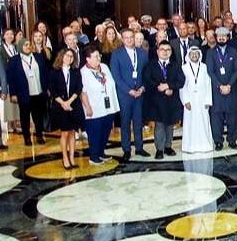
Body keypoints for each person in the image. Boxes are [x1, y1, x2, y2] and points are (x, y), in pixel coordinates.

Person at [143, 42, 185, 159]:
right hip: (157, 100)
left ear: (171, 52)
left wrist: (169, 86)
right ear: (157, 51)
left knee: (170, 125)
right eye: (162, 49)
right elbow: (147, 79)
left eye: (168, 50)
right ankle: (159, 149)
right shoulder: (151, 65)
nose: (165, 52)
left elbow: (181, 81)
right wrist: (159, 87)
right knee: (160, 125)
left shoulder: (176, 65)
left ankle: (168, 146)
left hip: (171, 100)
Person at [112, 29, 149, 160]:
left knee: (138, 122)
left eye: (131, 37)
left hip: (140, 93)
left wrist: (142, 88)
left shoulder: (142, 53)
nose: (129, 40)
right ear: (122, 39)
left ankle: (139, 147)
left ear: (134, 38)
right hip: (125, 94)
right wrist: (129, 90)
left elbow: (147, 73)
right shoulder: (116, 54)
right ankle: (126, 149)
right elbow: (116, 76)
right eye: (126, 38)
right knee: (125, 122)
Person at [78, 47, 119, 165]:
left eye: (99, 55)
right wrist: (87, 107)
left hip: (108, 106)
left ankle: (101, 152)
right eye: (95, 56)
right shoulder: (84, 72)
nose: (99, 58)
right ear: (88, 59)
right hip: (94, 107)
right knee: (95, 132)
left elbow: (110, 83)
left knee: (106, 130)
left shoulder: (104, 67)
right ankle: (94, 156)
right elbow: (83, 92)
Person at [6, 39, 50, 146]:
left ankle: (39, 135)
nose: (28, 46)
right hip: (24, 93)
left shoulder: (38, 57)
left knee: (38, 116)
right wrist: (13, 93)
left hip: (38, 92)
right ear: (20, 46)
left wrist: (47, 88)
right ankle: (27, 138)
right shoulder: (14, 60)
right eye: (25, 45)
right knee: (25, 117)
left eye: (29, 44)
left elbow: (45, 73)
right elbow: (11, 78)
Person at [206, 27, 237, 150]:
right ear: (216, 37)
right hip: (217, 90)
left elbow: (236, 70)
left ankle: (232, 140)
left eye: (224, 36)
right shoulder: (210, 52)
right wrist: (220, 86)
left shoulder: (233, 51)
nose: (221, 38)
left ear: (228, 37)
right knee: (216, 117)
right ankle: (218, 141)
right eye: (219, 36)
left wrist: (229, 85)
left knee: (233, 116)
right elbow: (210, 71)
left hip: (231, 89)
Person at [48, 48, 83, 169]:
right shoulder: (54, 71)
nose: (69, 58)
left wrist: (69, 102)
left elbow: (79, 88)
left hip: (73, 105)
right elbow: (52, 90)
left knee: (72, 132)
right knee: (65, 133)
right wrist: (63, 103)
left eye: (71, 56)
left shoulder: (76, 71)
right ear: (62, 56)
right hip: (60, 106)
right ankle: (65, 158)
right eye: (67, 56)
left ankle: (72, 158)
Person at [180, 46, 213, 153]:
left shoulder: (204, 67)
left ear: (199, 55)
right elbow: (182, 86)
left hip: (202, 100)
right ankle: (190, 147)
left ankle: (205, 145)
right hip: (190, 100)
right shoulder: (184, 68)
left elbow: (208, 84)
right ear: (188, 55)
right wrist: (185, 101)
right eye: (192, 54)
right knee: (190, 124)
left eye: (196, 54)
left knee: (203, 122)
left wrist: (208, 100)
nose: (194, 55)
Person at [0, 29, 21, 134]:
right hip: (7, 78)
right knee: (9, 103)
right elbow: (0, 65)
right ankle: (10, 124)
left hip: (16, 78)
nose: (10, 36)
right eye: (7, 34)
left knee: (16, 103)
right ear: (3, 36)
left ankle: (15, 123)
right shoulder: (0, 49)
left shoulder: (15, 47)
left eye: (11, 34)